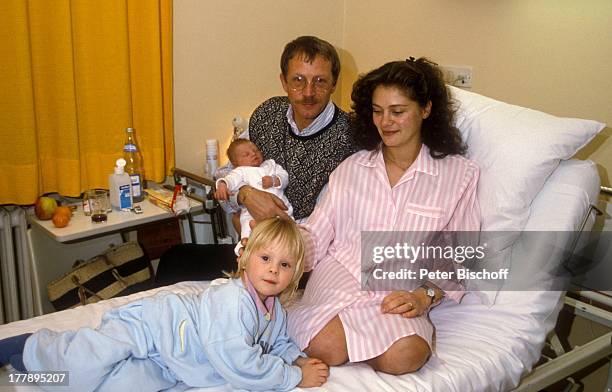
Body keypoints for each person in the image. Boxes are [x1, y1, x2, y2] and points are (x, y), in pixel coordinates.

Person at [286, 58, 481, 375]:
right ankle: (315, 325)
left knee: (407, 356)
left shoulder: (458, 176)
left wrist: (423, 296)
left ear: (426, 109)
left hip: (399, 291)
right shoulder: (353, 168)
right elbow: (316, 233)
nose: (386, 122)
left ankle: (353, 343)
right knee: (328, 346)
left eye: (398, 111)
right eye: (377, 111)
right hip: (342, 274)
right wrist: (279, 252)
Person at [0, 219, 329, 391]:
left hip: (171, 364)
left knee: (117, 387)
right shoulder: (234, 300)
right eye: (266, 258)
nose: (274, 269)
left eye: (285, 265)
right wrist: (291, 377)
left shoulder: (276, 311)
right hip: (156, 327)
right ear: (245, 258)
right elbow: (240, 363)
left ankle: (26, 370)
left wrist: (297, 358)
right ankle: (26, 347)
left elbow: (280, 341)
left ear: (294, 275)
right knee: (84, 360)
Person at [154, 35, 357, 286]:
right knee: (174, 260)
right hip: (251, 245)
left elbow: (331, 228)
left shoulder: (349, 138)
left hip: (296, 264)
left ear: (334, 83)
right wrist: (245, 195)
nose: (308, 93)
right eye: (298, 80)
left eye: (320, 81)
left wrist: (268, 241)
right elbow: (226, 173)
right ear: (283, 81)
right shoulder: (267, 114)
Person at [214, 139, 293, 248]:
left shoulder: (270, 164)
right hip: (251, 213)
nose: (253, 154)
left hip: (280, 208)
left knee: (288, 233)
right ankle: (245, 248)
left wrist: (275, 180)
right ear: (235, 163)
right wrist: (222, 184)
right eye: (246, 154)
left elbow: (284, 176)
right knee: (247, 227)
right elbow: (230, 180)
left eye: (256, 150)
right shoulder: (240, 171)